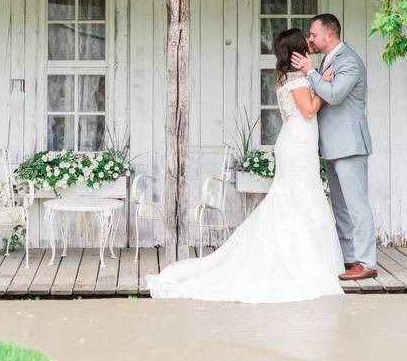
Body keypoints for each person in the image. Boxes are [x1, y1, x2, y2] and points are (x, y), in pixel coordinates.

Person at [145, 28, 344, 303]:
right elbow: (309, 110)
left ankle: (306, 254)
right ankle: (302, 259)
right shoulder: (298, 81)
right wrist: (322, 83)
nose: (310, 43)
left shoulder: (287, 77)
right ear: (298, 50)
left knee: (298, 197)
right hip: (298, 144)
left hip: (298, 142)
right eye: (306, 41)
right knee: (299, 196)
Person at [291, 14, 377, 280]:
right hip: (332, 145)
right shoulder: (329, 60)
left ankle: (366, 262)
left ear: (330, 34)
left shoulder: (349, 61)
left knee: (356, 206)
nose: (311, 39)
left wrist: (310, 72)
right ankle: (349, 258)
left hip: (349, 145)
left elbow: (334, 95)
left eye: (314, 34)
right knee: (340, 206)